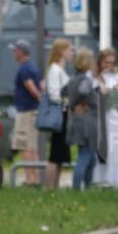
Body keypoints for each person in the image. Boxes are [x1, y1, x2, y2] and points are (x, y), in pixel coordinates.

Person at [92, 48, 118, 190]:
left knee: (114, 148)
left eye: (112, 63)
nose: (109, 66)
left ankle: (114, 181)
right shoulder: (94, 77)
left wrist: (116, 95)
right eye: (106, 63)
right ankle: (98, 180)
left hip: (112, 115)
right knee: (99, 146)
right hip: (98, 116)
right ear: (100, 62)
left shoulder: (117, 77)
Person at [9, 39, 43, 185]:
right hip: (33, 112)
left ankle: (30, 179)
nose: (13, 53)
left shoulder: (24, 69)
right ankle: (35, 178)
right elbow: (42, 85)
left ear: (21, 52)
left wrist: (41, 101)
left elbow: (32, 88)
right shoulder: (33, 66)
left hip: (25, 112)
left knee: (25, 145)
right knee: (32, 146)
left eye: (15, 50)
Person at [66, 47, 99, 190]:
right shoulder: (85, 79)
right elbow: (84, 91)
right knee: (84, 157)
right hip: (87, 121)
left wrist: (71, 105)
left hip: (77, 120)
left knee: (91, 158)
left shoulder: (72, 78)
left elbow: (63, 91)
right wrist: (83, 103)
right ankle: (77, 190)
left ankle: (88, 187)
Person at [43, 38, 74, 190]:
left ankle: (55, 186)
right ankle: (50, 187)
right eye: (70, 50)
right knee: (55, 154)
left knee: (60, 154)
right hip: (60, 114)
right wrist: (69, 100)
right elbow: (54, 94)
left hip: (64, 114)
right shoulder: (55, 70)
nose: (72, 53)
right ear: (62, 51)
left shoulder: (60, 70)